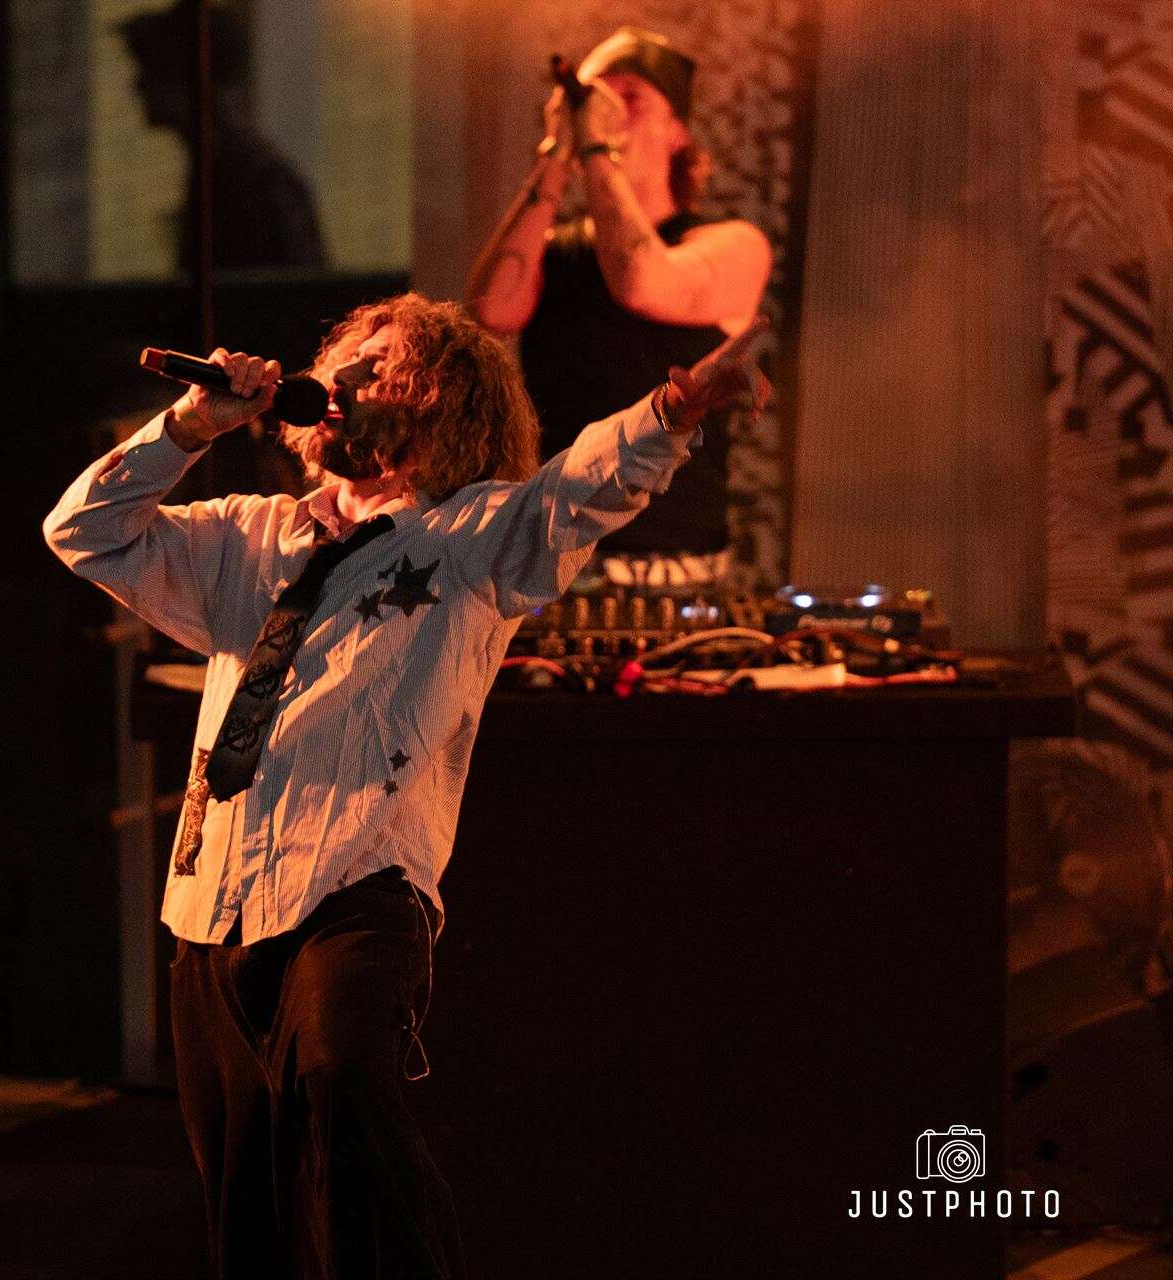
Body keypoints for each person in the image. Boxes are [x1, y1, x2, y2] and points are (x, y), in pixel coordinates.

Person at [43, 292, 768, 1278]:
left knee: (343, 1096)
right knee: (246, 1204)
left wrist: (671, 412)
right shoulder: (247, 536)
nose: (341, 381)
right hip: (211, 901)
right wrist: (190, 426)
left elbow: (575, 494)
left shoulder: (469, 537)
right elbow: (83, 531)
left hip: (355, 885)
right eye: (338, 364)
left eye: (376, 368)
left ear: (441, 404)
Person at [466, 26, 771, 587]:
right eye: (595, 96)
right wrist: (557, 154)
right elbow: (490, 310)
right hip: (548, 556)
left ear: (677, 132)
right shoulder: (553, 250)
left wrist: (595, 149)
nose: (605, 111)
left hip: (670, 567)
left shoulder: (732, 245)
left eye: (630, 97)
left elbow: (641, 283)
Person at [117, 0, 326, 273]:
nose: (138, 87)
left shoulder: (245, 178)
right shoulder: (231, 168)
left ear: (191, 83)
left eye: (151, 73)